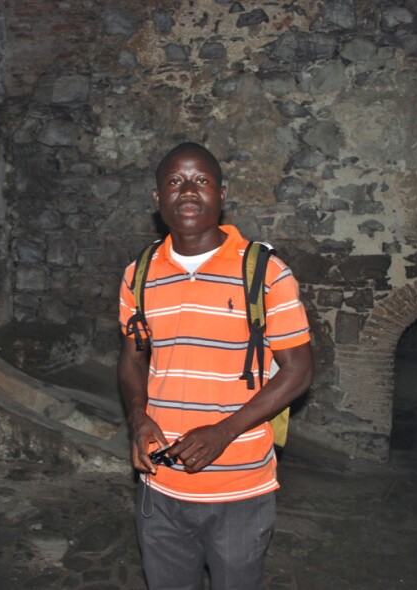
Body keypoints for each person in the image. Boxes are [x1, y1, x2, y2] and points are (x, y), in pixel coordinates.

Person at [117, 142, 314, 590]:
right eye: (175, 181)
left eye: (201, 180)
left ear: (221, 194)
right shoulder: (139, 274)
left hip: (239, 490)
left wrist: (224, 431)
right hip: (159, 487)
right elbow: (132, 356)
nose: (188, 191)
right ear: (157, 199)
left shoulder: (265, 272)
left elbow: (299, 370)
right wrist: (138, 417)